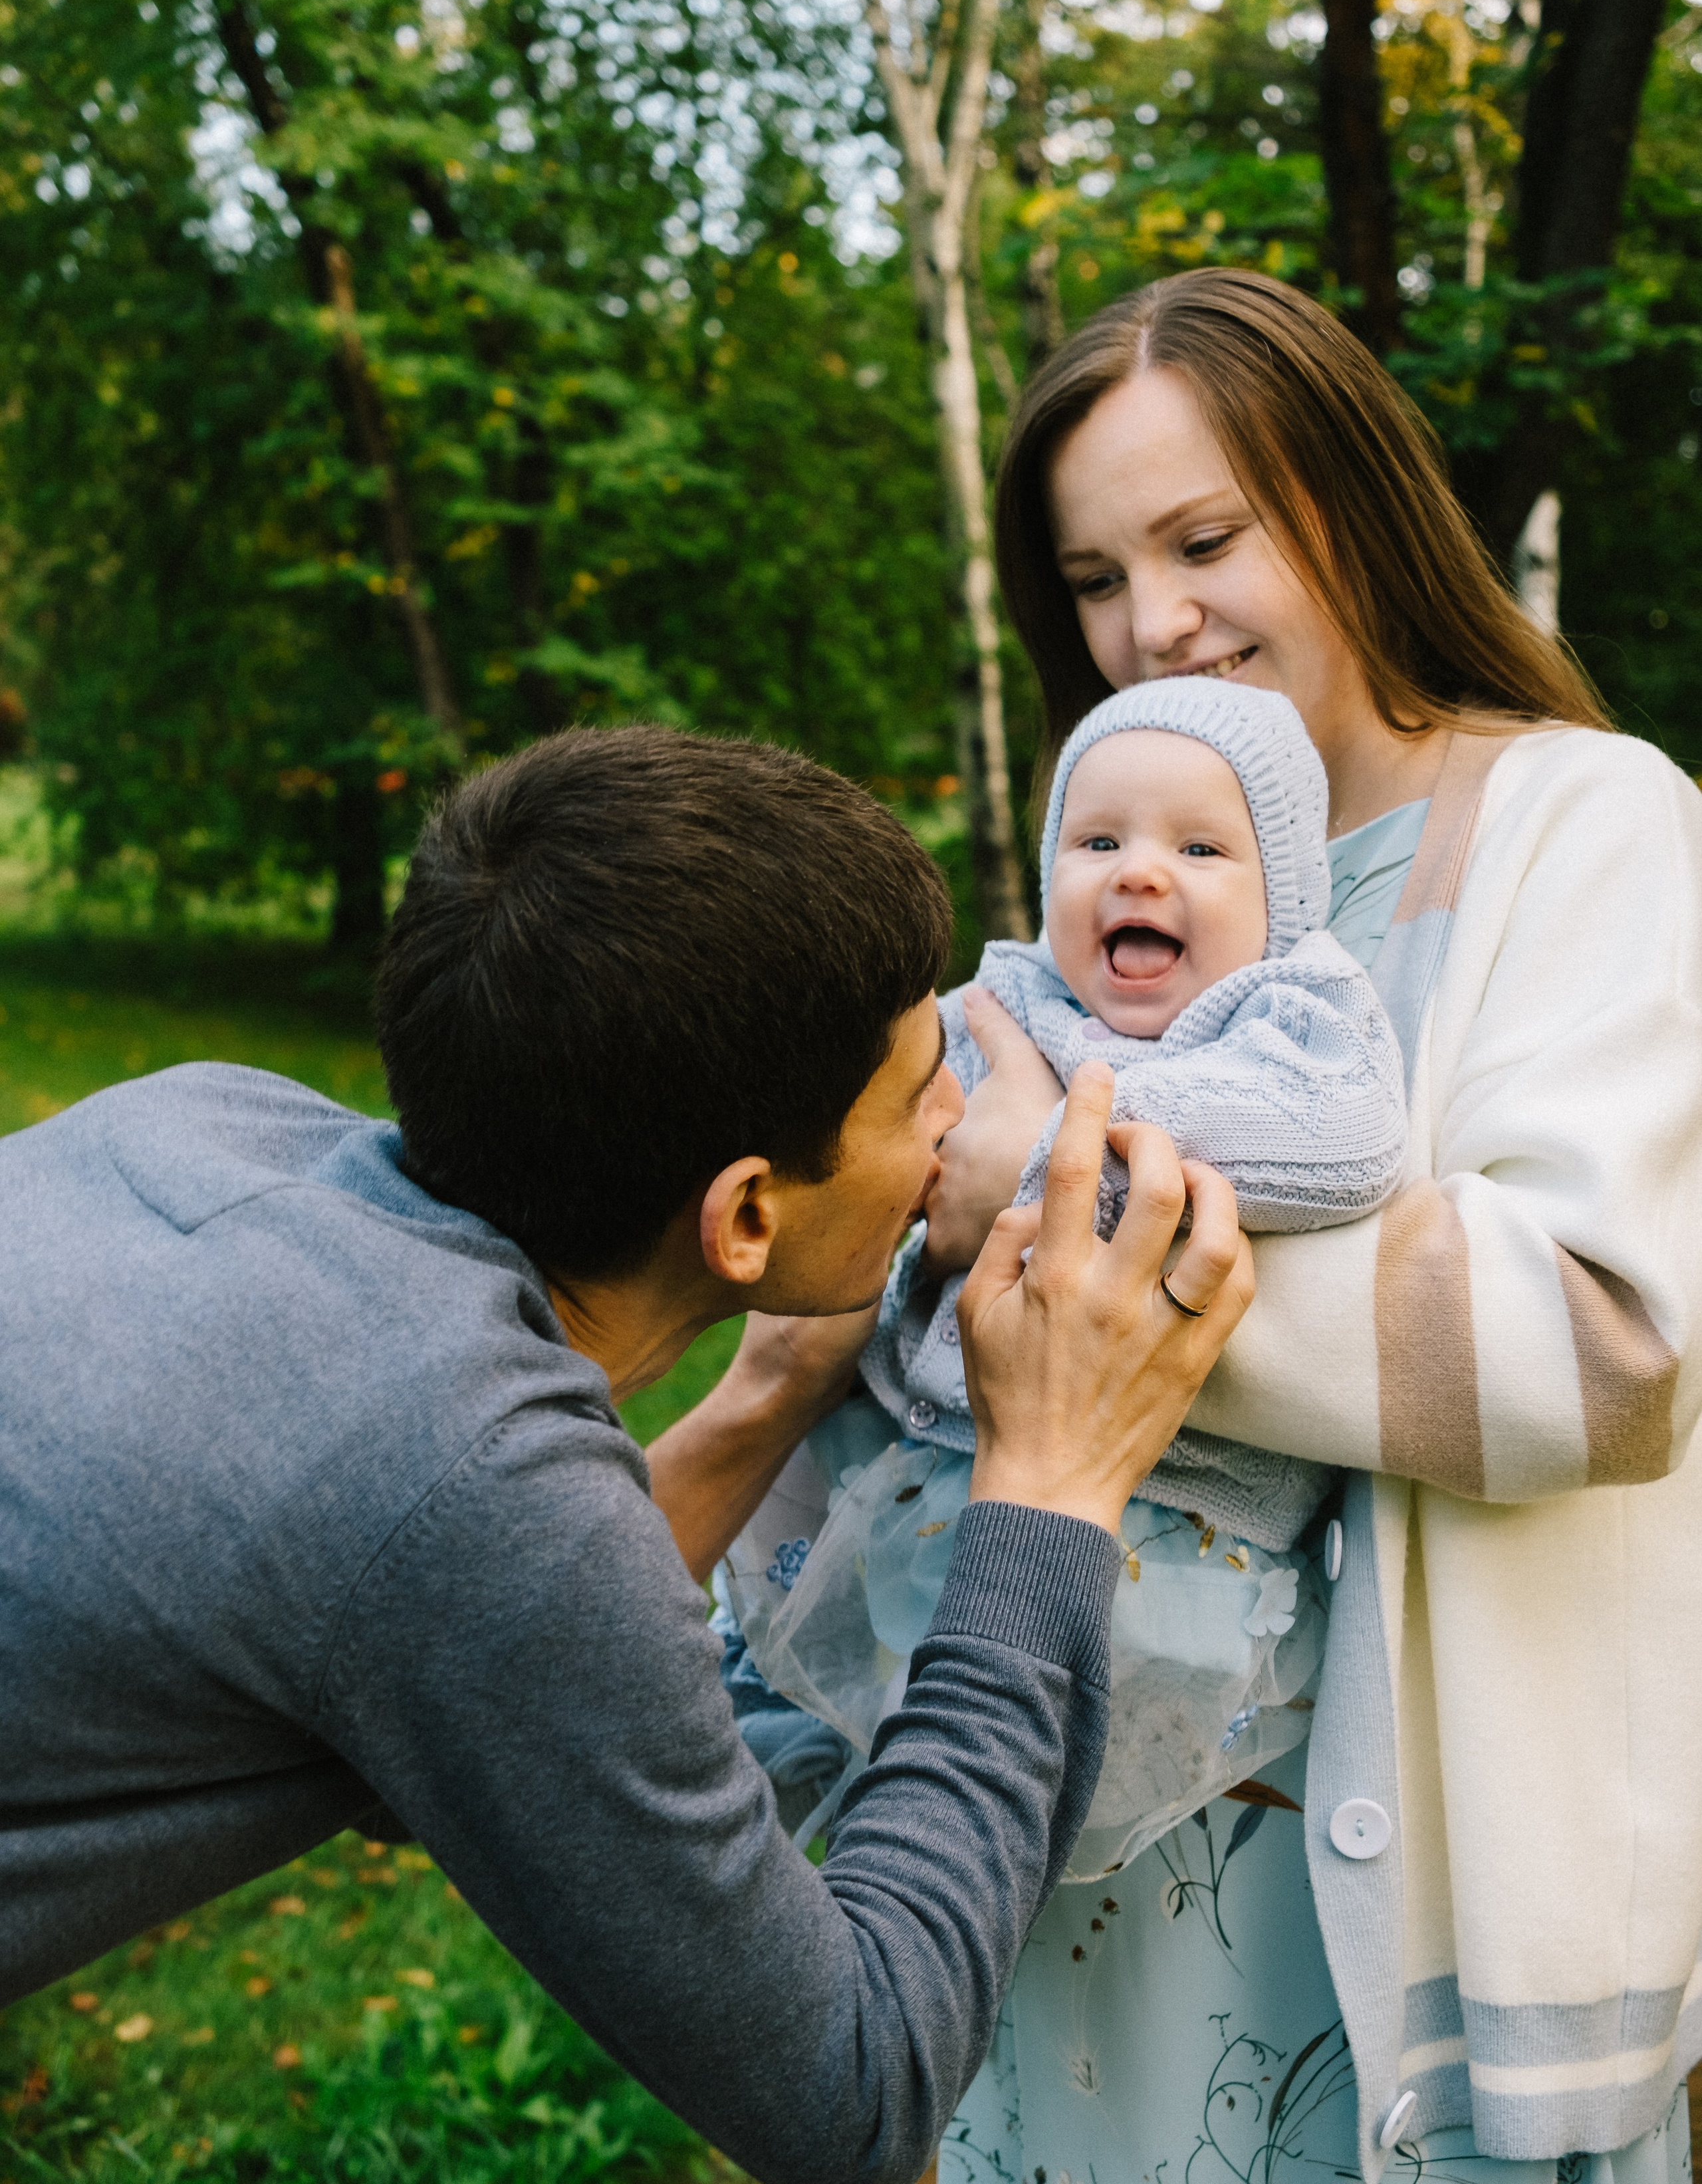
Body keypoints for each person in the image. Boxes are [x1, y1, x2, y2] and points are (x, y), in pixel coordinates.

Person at [0, 723, 1254, 2184]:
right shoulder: (453, 1479)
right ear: (741, 1220)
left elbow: (494, 1740)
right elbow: (852, 2094)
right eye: (918, 1092)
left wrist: (763, 1387)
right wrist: (1046, 1486)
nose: (962, 1124)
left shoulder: (201, 1126)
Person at [921, 268, 1702, 2184]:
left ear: (1353, 506)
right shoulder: (1108, 887)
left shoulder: (1583, 824)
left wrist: (1056, 1206)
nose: (1152, 625)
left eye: (1206, 540)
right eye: (1097, 579)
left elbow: (1605, 1348)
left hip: (1415, 1938)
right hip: (1091, 1890)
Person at [723, 675, 1409, 1868]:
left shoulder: (1291, 1017)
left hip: (1170, 1518)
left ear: (1284, 895)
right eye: (1099, 840)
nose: (1140, 872)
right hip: (925, 1454)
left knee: (1034, 1776)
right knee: (826, 1696)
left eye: (1200, 846)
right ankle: (741, 1815)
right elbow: (904, 1138)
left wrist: (1043, 1143)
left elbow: (1340, 1146)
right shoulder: (1010, 998)